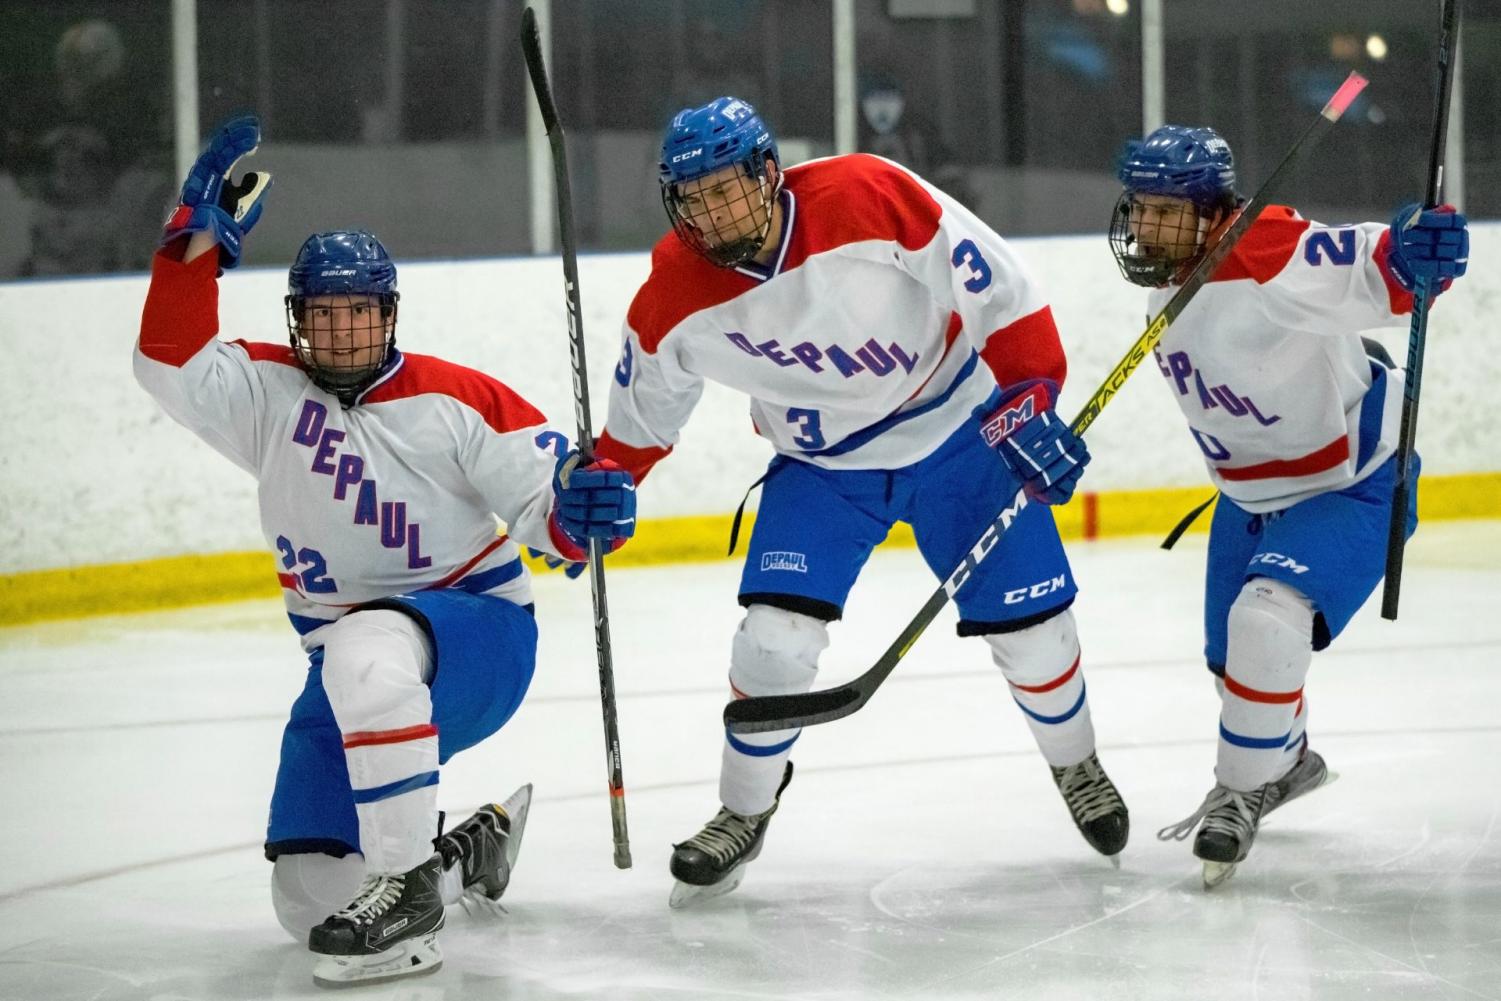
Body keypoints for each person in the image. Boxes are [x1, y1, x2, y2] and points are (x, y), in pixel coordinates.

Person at [134, 116, 637, 986]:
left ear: (388, 312)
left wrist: (586, 510)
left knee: (370, 643)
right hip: (345, 670)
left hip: (480, 641)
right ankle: (457, 857)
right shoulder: (266, 394)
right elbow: (166, 364)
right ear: (295, 320)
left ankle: (404, 894)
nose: (337, 333)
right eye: (320, 316)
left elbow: (548, 516)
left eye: (356, 313)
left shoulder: (455, 399)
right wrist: (193, 249)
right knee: (307, 898)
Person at [592, 96, 1128, 907]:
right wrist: (594, 499)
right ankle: (741, 812)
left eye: (725, 189)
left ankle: (1076, 762)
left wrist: (1029, 397)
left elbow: (999, 287)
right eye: (691, 197)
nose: (710, 211)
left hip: (957, 431)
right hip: (822, 467)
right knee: (772, 642)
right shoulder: (674, 291)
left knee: (1036, 633)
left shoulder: (866, 194)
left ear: (768, 174)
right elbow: (637, 425)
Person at [1107, 125, 1469, 887]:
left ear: (1210, 211)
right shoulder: (1175, 278)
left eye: (1163, 210)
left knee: (1266, 619)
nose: (1142, 225)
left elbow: (1366, 267)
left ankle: (1238, 796)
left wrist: (1407, 256)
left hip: (1352, 482)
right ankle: (1289, 760)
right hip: (1247, 496)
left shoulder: (1260, 248)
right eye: (1138, 205)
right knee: (1235, 668)